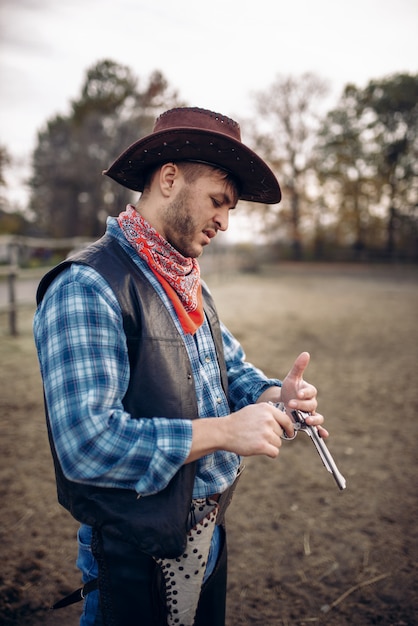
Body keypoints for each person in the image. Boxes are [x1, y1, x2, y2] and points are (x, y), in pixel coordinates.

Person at [33, 107, 328, 626]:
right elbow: (86, 444)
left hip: (208, 534)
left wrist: (274, 398)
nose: (224, 221)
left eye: (231, 209)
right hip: (134, 550)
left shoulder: (187, 278)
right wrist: (224, 432)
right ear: (169, 178)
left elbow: (227, 370)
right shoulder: (87, 285)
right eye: (218, 201)